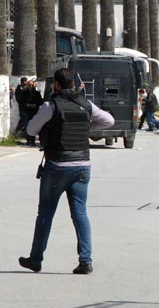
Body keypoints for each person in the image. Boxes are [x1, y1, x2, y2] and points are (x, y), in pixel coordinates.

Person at [19, 68, 114, 274]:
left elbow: (30, 130)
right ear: (75, 85)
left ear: (57, 85)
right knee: (80, 213)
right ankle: (86, 261)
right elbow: (109, 121)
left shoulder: (50, 105)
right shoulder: (85, 104)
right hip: (82, 165)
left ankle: (36, 259)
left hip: (57, 167)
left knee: (45, 214)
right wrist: (86, 127)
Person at [23, 80, 44, 146]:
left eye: (32, 85)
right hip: (26, 111)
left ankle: (32, 141)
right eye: (29, 85)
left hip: (34, 111)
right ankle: (28, 140)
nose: (31, 87)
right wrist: (27, 104)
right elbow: (21, 101)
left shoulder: (37, 93)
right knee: (27, 125)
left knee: (33, 126)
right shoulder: (24, 92)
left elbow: (40, 101)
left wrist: (35, 105)